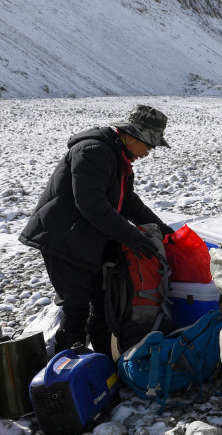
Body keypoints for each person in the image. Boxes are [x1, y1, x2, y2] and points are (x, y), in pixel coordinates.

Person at [19, 105, 174, 358]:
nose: (149, 152)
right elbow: (91, 204)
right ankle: (64, 377)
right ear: (134, 137)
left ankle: (101, 365)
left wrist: (164, 231)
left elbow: (128, 202)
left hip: (85, 240)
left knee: (103, 305)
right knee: (76, 308)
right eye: (150, 145)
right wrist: (133, 237)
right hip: (63, 241)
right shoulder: (94, 151)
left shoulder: (118, 156)